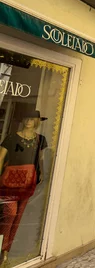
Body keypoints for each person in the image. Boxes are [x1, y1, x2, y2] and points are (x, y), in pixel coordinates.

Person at [0, 111, 48, 260]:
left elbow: (40, 160)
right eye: (26, 118)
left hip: (28, 182)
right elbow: (0, 158)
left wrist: (41, 175)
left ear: (37, 121)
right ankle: (2, 246)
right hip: (9, 182)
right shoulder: (12, 137)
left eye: (32, 119)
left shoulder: (40, 140)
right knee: (10, 214)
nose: (29, 121)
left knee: (18, 217)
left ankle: (6, 251)